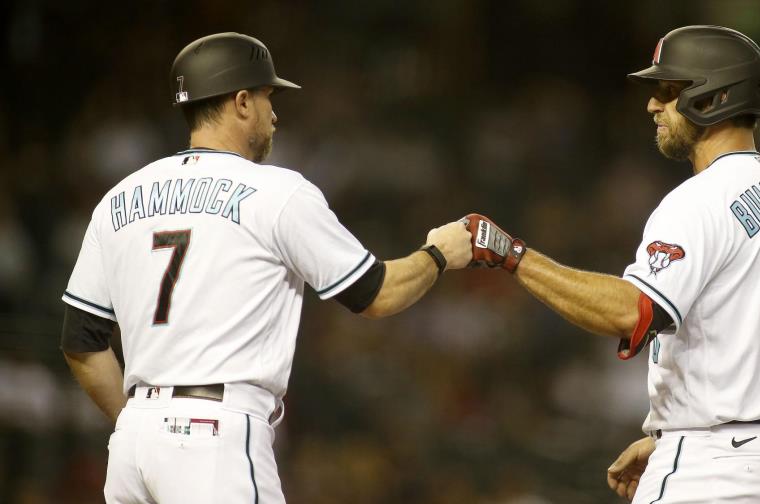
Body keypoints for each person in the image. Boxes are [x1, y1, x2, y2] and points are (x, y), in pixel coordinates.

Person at [60, 32, 471, 504]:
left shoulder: (119, 198)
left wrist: (139, 424)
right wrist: (439, 254)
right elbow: (376, 294)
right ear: (240, 102)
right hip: (216, 438)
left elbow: (81, 344)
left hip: (132, 445)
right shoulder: (277, 193)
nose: (273, 114)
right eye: (266, 97)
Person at [463, 25, 760, 503]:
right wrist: (671, 435)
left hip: (719, 470)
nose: (652, 106)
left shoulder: (701, 198)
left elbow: (632, 312)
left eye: (668, 91)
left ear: (714, 96)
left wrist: (512, 255)